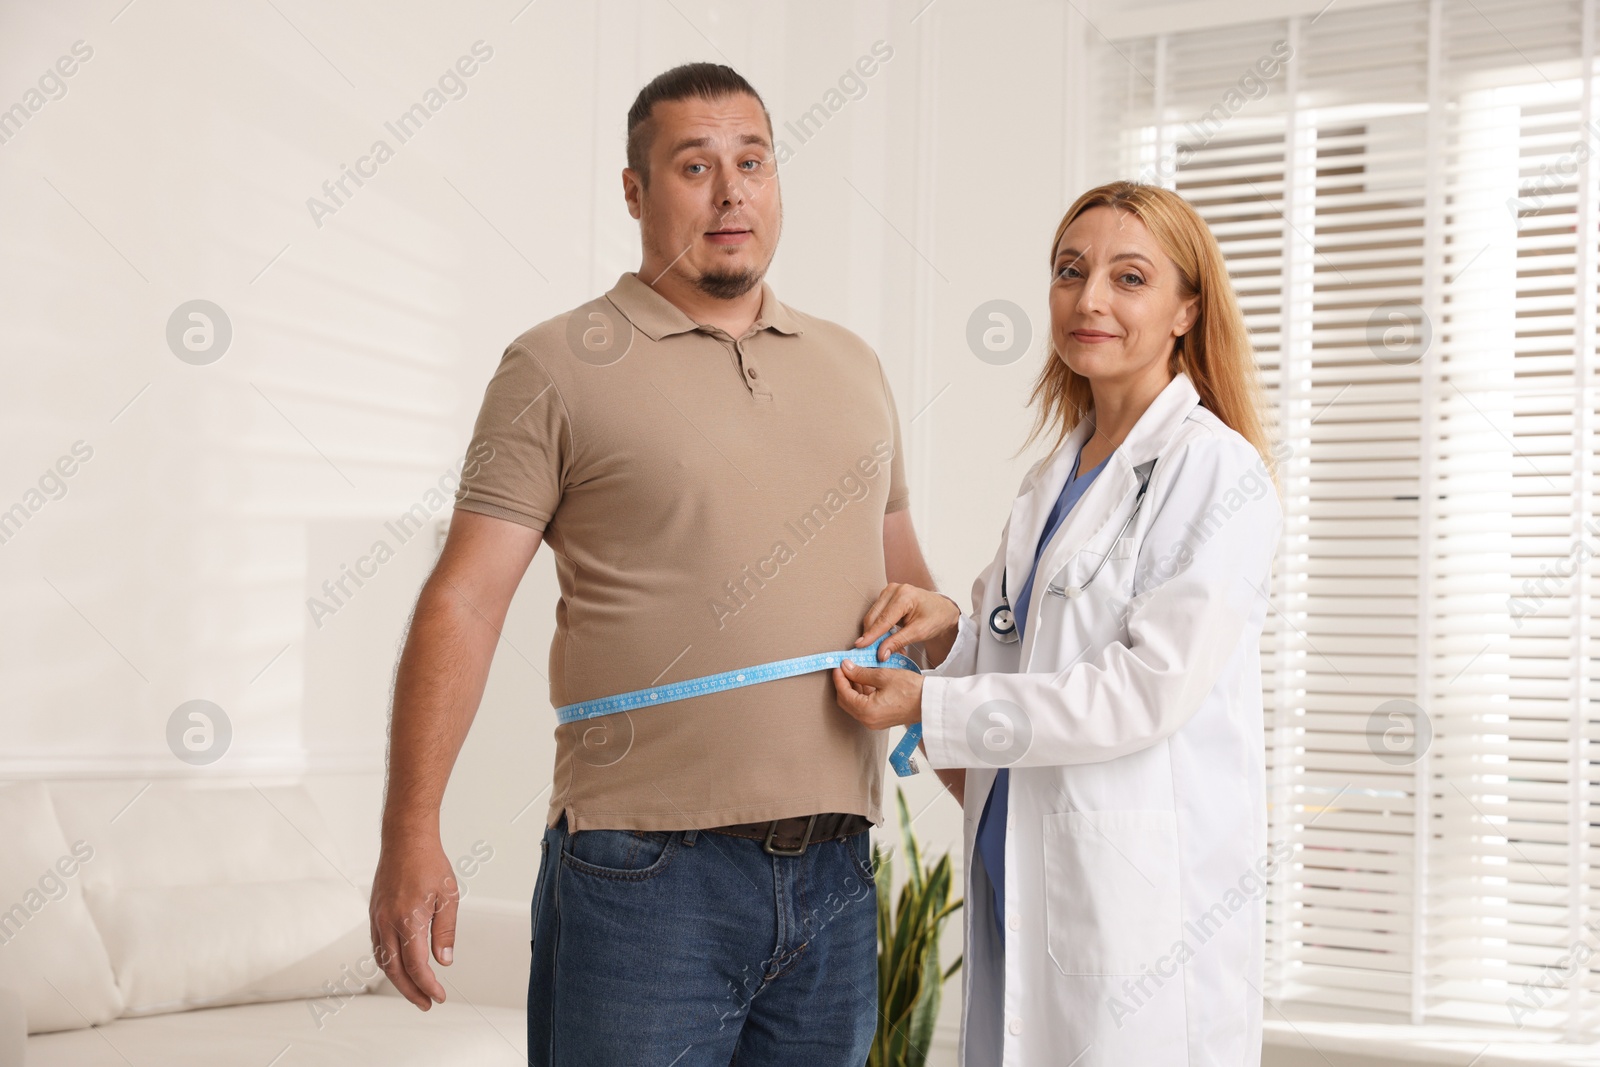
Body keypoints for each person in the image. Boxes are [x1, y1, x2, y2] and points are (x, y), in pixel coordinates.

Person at [367, 62, 956, 1066]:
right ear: (636, 190)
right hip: (643, 875)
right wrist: (409, 829)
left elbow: (909, 592)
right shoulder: (554, 365)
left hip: (836, 874)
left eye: (752, 161)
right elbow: (463, 599)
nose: (731, 191)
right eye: (694, 165)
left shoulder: (853, 365)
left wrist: (934, 622)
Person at [832, 180, 1285, 1065]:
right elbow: (1025, 656)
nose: (1090, 300)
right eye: (1070, 271)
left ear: (1187, 308)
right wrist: (947, 632)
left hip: (1134, 920)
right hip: (1020, 880)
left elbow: (1144, 692)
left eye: (1129, 277)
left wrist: (929, 707)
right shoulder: (1055, 476)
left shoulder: (1215, 473)